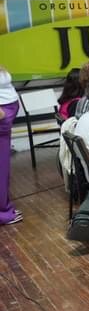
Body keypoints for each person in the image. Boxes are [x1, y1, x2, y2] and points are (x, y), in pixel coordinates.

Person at [0, 66, 21, 225]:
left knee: (4, 169)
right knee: (1, 170)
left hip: (5, 119)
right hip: (2, 121)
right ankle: (2, 213)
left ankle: (4, 208)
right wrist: (3, 115)